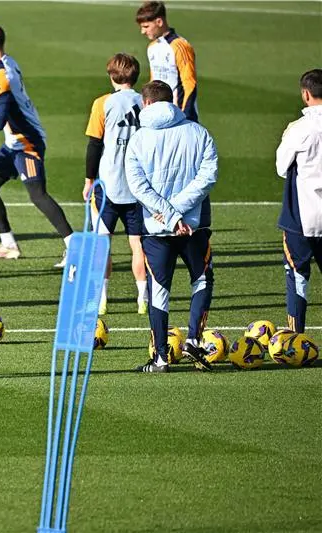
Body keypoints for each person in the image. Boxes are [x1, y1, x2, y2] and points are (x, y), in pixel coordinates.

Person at [0, 24, 73, 266]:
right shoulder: (7, 62)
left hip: (27, 142)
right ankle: (9, 244)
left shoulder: (2, 78)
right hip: (14, 143)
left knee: (38, 195)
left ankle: (74, 248)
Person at [125, 80, 217, 373]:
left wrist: (168, 212)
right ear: (172, 100)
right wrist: (180, 212)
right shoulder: (198, 132)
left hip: (156, 228)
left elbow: (137, 186)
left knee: (159, 290)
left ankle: (161, 358)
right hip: (195, 226)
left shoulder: (138, 139)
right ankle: (193, 339)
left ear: (147, 103)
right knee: (201, 280)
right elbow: (208, 176)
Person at [84, 53, 148, 315]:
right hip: (136, 186)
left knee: (103, 243)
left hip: (108, 185)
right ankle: (143, 298)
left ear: (111, 76)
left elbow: (94, 144)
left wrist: (89, 180)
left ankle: (101, 299)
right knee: (137, 245)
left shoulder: (103, 103)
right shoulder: (146, 102)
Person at [276, 69, 322, 334]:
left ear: (305, 94)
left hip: (302, 217)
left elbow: (282, 167)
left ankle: (296, 338)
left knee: (298, 277)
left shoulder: (299, 129)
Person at [136, 1, 198, 123]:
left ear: (159, 22)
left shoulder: (180, 46)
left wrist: (185, 116)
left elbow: (189, 84)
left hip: (179, 115)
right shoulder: (152, 47)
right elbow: (153, 82)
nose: (143, 32)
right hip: (159, 115)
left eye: (146, 26)